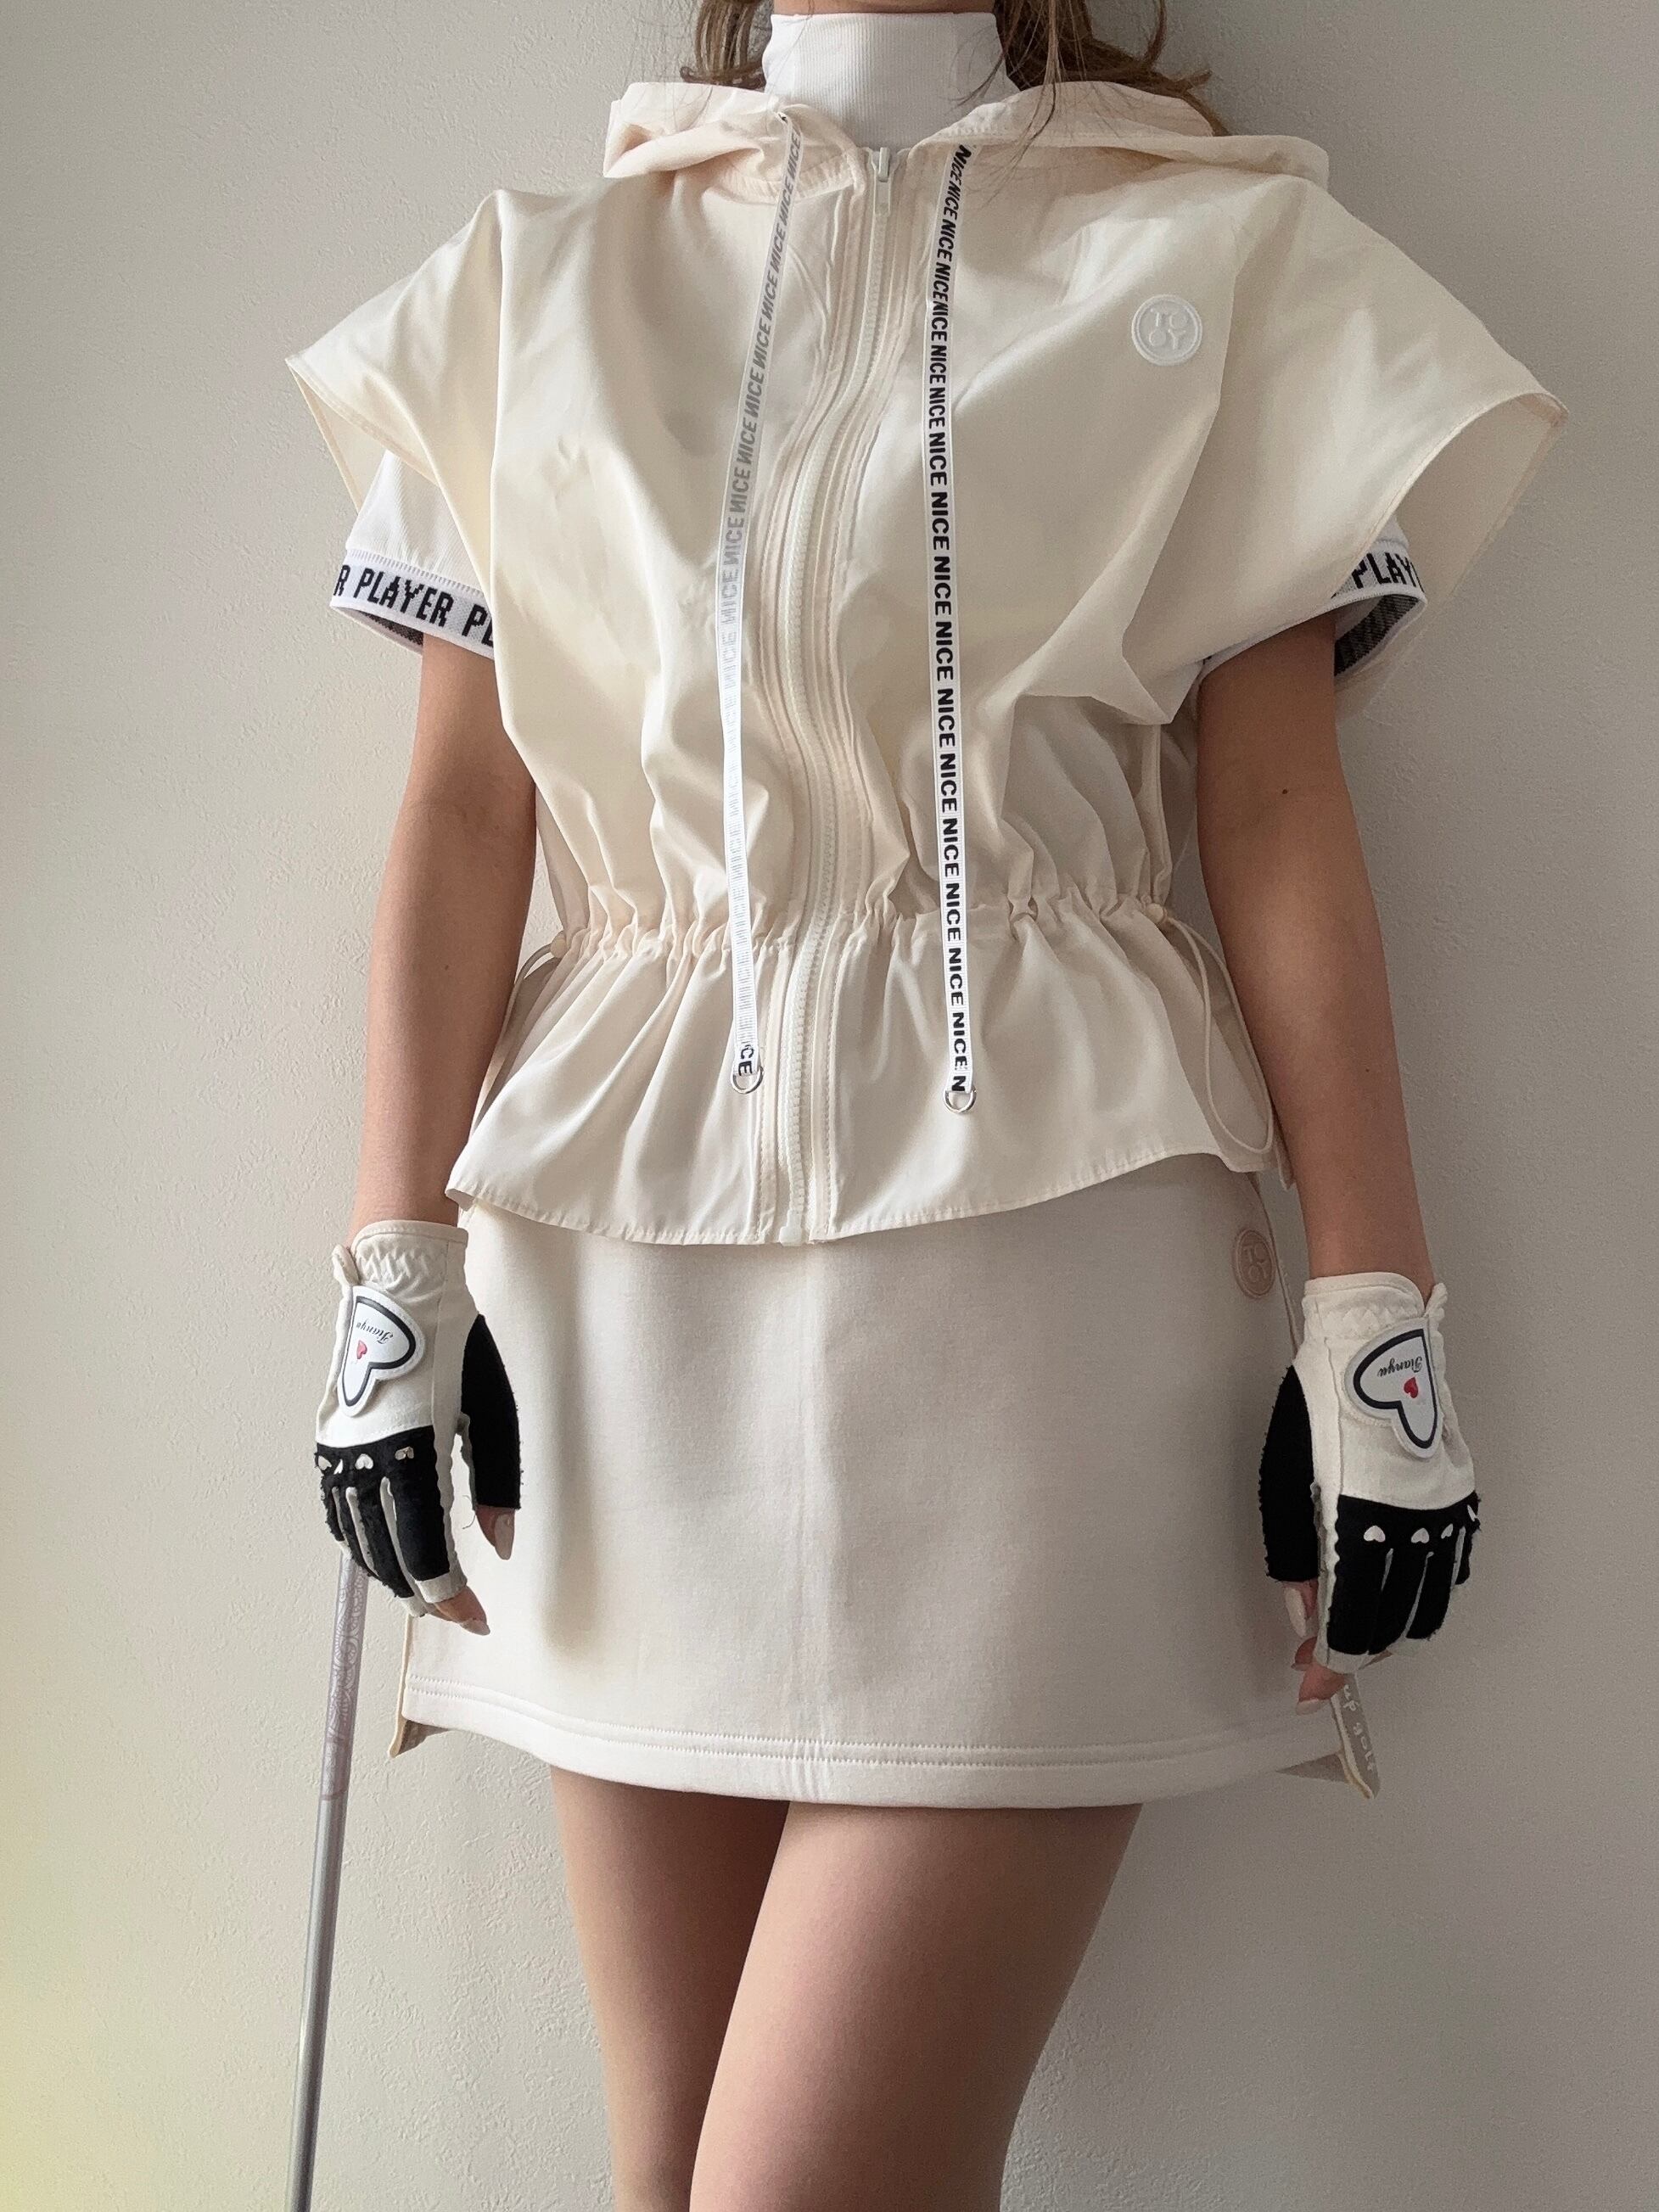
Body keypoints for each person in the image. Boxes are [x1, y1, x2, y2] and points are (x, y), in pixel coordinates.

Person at [289, 3, 1564, 2203]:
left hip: (1042, 1299)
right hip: (614, 1294)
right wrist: (389, 1283)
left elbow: (1273, 815)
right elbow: (466, 816)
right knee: (669, 2175)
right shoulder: (534, 282)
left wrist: (1379, 1325)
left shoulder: (1214, 258)